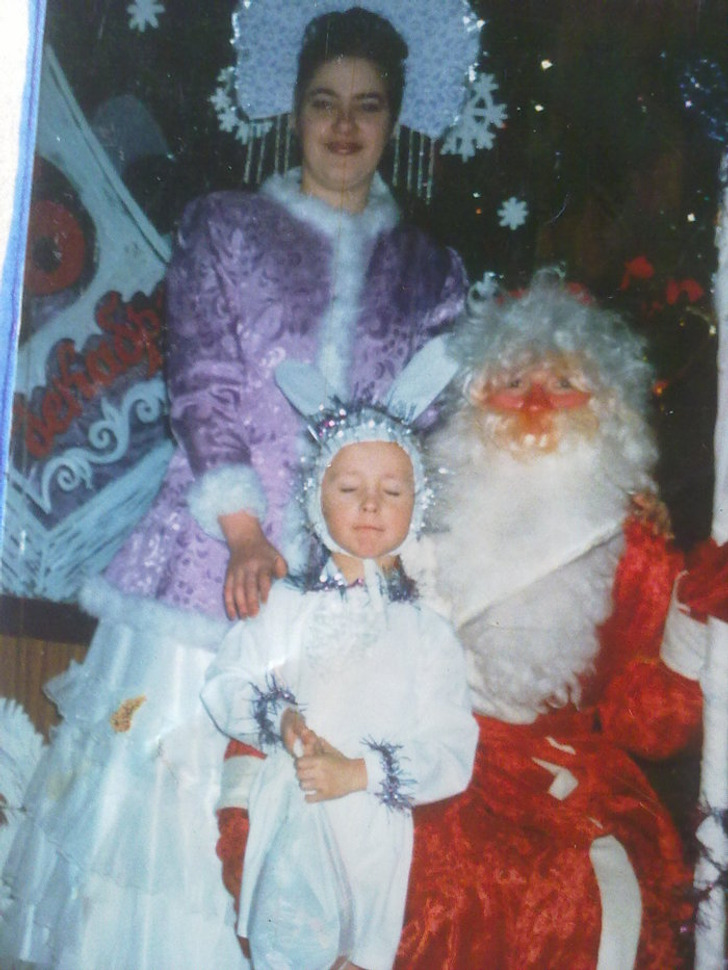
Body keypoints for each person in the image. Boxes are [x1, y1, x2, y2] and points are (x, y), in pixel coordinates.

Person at [0, 7, 469, 969]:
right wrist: (249, 535)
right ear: (293, 113)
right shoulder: (226, 227)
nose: (345, 126)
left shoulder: (433, 271)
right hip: (214, 559)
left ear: (395, 118)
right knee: (171, 803)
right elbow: (203, 384)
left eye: (367, 105)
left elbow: (426, 436)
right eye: (324, 103)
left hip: (351, 584)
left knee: (319, 813)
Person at [394, 272, 714, 970]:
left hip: (565, 778)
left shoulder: (630, 542)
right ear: (476, 396)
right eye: (514, 382)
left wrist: (695, 616)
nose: (537, 404)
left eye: (564, 384)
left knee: (575, 899)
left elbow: (651, 728)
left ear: (607, 405)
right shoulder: (412, 513)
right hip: (438, 755)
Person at [202, 349, 477, 970]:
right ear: (317, 499)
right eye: (350, 488)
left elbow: (451, 750)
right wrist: (281, 720)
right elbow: (225, 680)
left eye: (392, 490)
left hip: (373, 836)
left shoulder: (429, 635)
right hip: (289, 818)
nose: (371, 505)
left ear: (417, 504)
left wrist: (360, 773)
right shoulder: (286, 606)